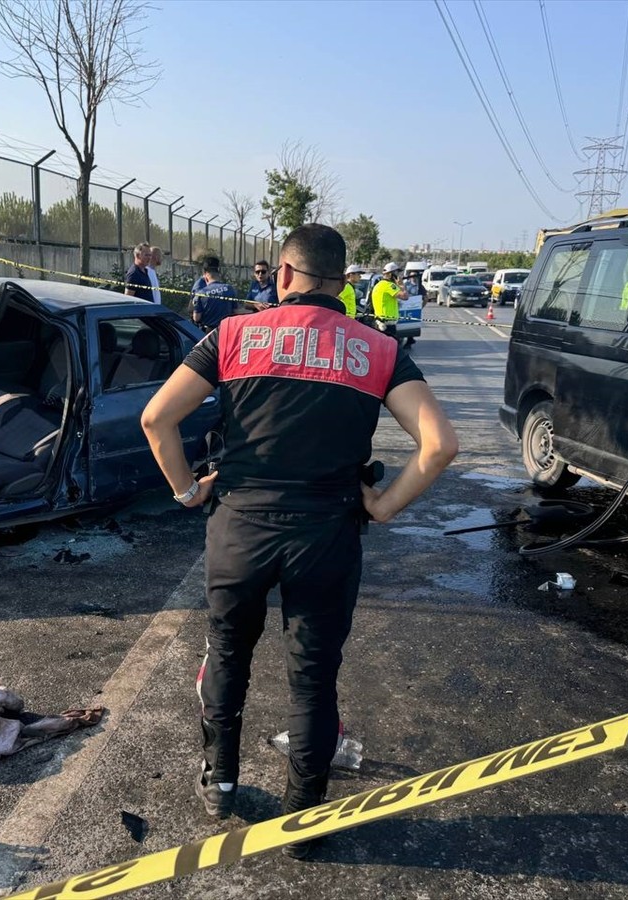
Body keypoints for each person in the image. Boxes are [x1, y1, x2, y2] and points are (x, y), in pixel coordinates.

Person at [140, 224, 458, 859]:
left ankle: (221, 783)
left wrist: (187, 492)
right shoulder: (378, 350)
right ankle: (303, 819)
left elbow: (157, 417)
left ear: (282, 275)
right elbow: (440, 444)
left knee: (228, 657)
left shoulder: (231, 336)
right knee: (313, 678)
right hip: (327, 533)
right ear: (344, 281)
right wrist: (385, 504)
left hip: (239, 528)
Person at [191, 263, 239, 332]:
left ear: (206, 278)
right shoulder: (229, 288)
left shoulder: (201, 293)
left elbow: (196, 318)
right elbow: (236, 311)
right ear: (219, 275)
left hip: (209, 332)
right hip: (226, 330)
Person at [370, 261, 402, 328]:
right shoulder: (390, 286)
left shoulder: (379, 285)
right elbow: (405, 296)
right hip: (388, 323)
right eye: (396, 273)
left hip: (379, 322)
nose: (398, 276)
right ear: (390, 274)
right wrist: (401, 285)